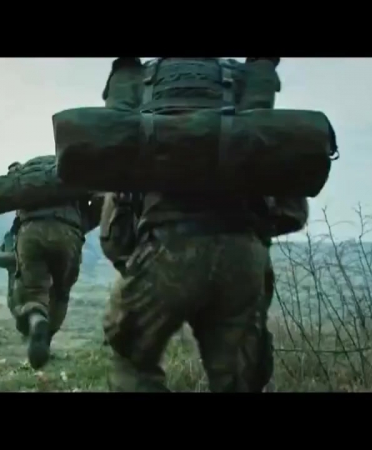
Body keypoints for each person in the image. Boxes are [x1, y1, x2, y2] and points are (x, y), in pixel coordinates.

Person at [101, 57, 281, 392]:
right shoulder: (241, 80)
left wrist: (129, 261)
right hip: (242, 253)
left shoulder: (143, 82)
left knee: (132, 361)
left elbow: (115, 227)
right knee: (242, 380)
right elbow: (288, 209)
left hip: (166, 249)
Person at [11, 168, 103, 369]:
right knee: (61, 292)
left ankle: (37, 318)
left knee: (33, 291)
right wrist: (79, 225)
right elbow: (101, 202)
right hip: (67, 232)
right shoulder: (78, 176)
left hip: (31, 232)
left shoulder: (28, 179)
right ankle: (47, 337)